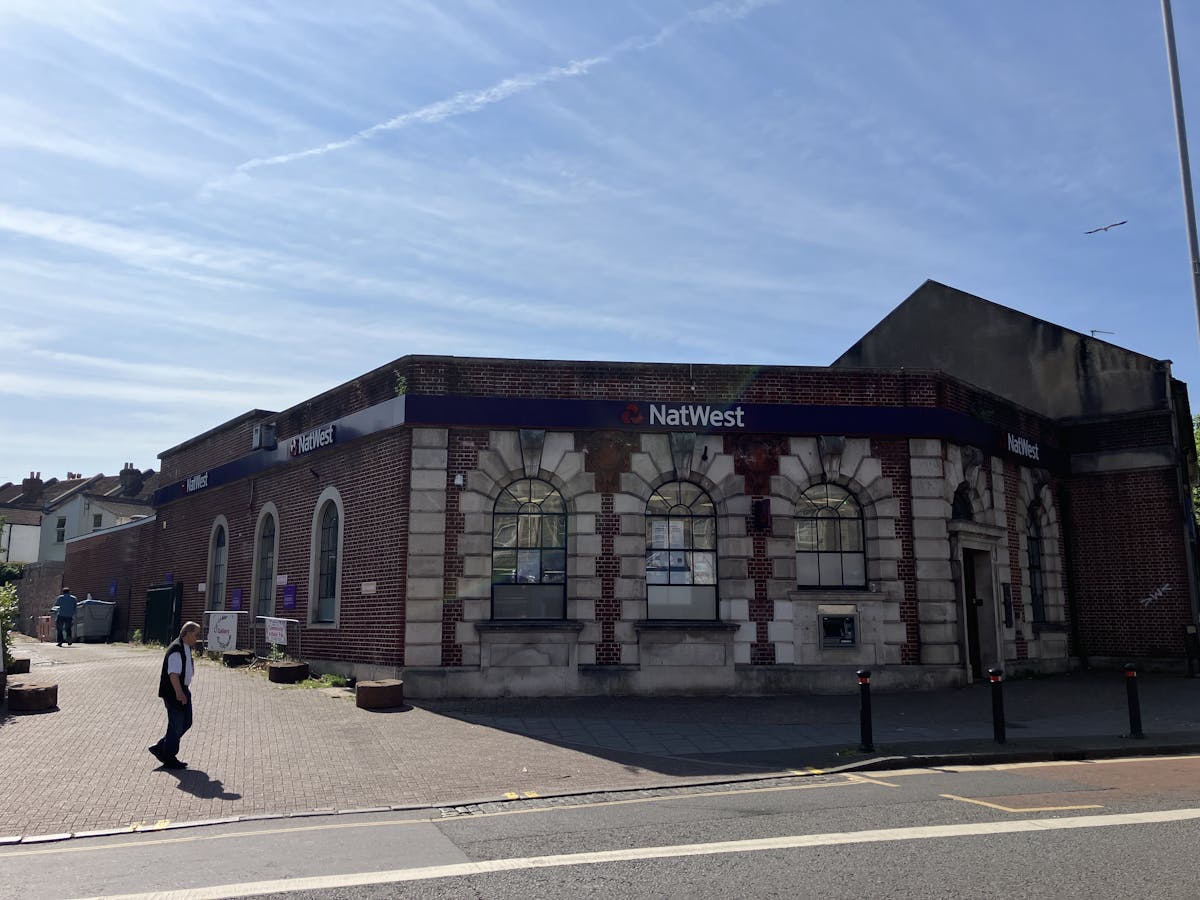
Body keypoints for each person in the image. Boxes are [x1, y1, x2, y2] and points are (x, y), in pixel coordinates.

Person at [148, 621, 201, 770]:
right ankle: (169, 757)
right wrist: (179, 693)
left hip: (183, 689)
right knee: (176, 724)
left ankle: (161, 747)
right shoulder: (176, 649)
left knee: (186, 722)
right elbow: (173, 674)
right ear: (188, 633)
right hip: (174, 692)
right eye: (196, 634)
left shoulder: (186, 647)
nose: (197, 638)